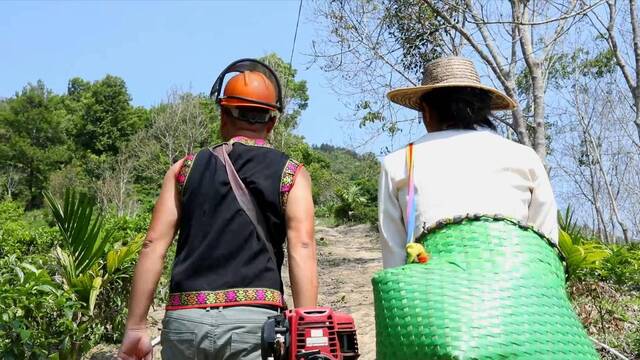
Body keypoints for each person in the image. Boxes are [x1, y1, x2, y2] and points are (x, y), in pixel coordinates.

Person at [118, 59, 318, 360]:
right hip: (255, 327)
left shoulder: (183, 169)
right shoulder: (292, 174)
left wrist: (135, 328)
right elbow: (302, 245)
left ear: (223, 115)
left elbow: (153, 245)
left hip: (185, 325)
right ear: (271, 122)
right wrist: (306, 331)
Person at [378, 56, 557, 268]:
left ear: (426, 110)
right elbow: (546, 243)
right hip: (514, 290)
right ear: (482, 109)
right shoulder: (524, 157)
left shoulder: (400, 163)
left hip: (433, 294)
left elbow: (394, 258)